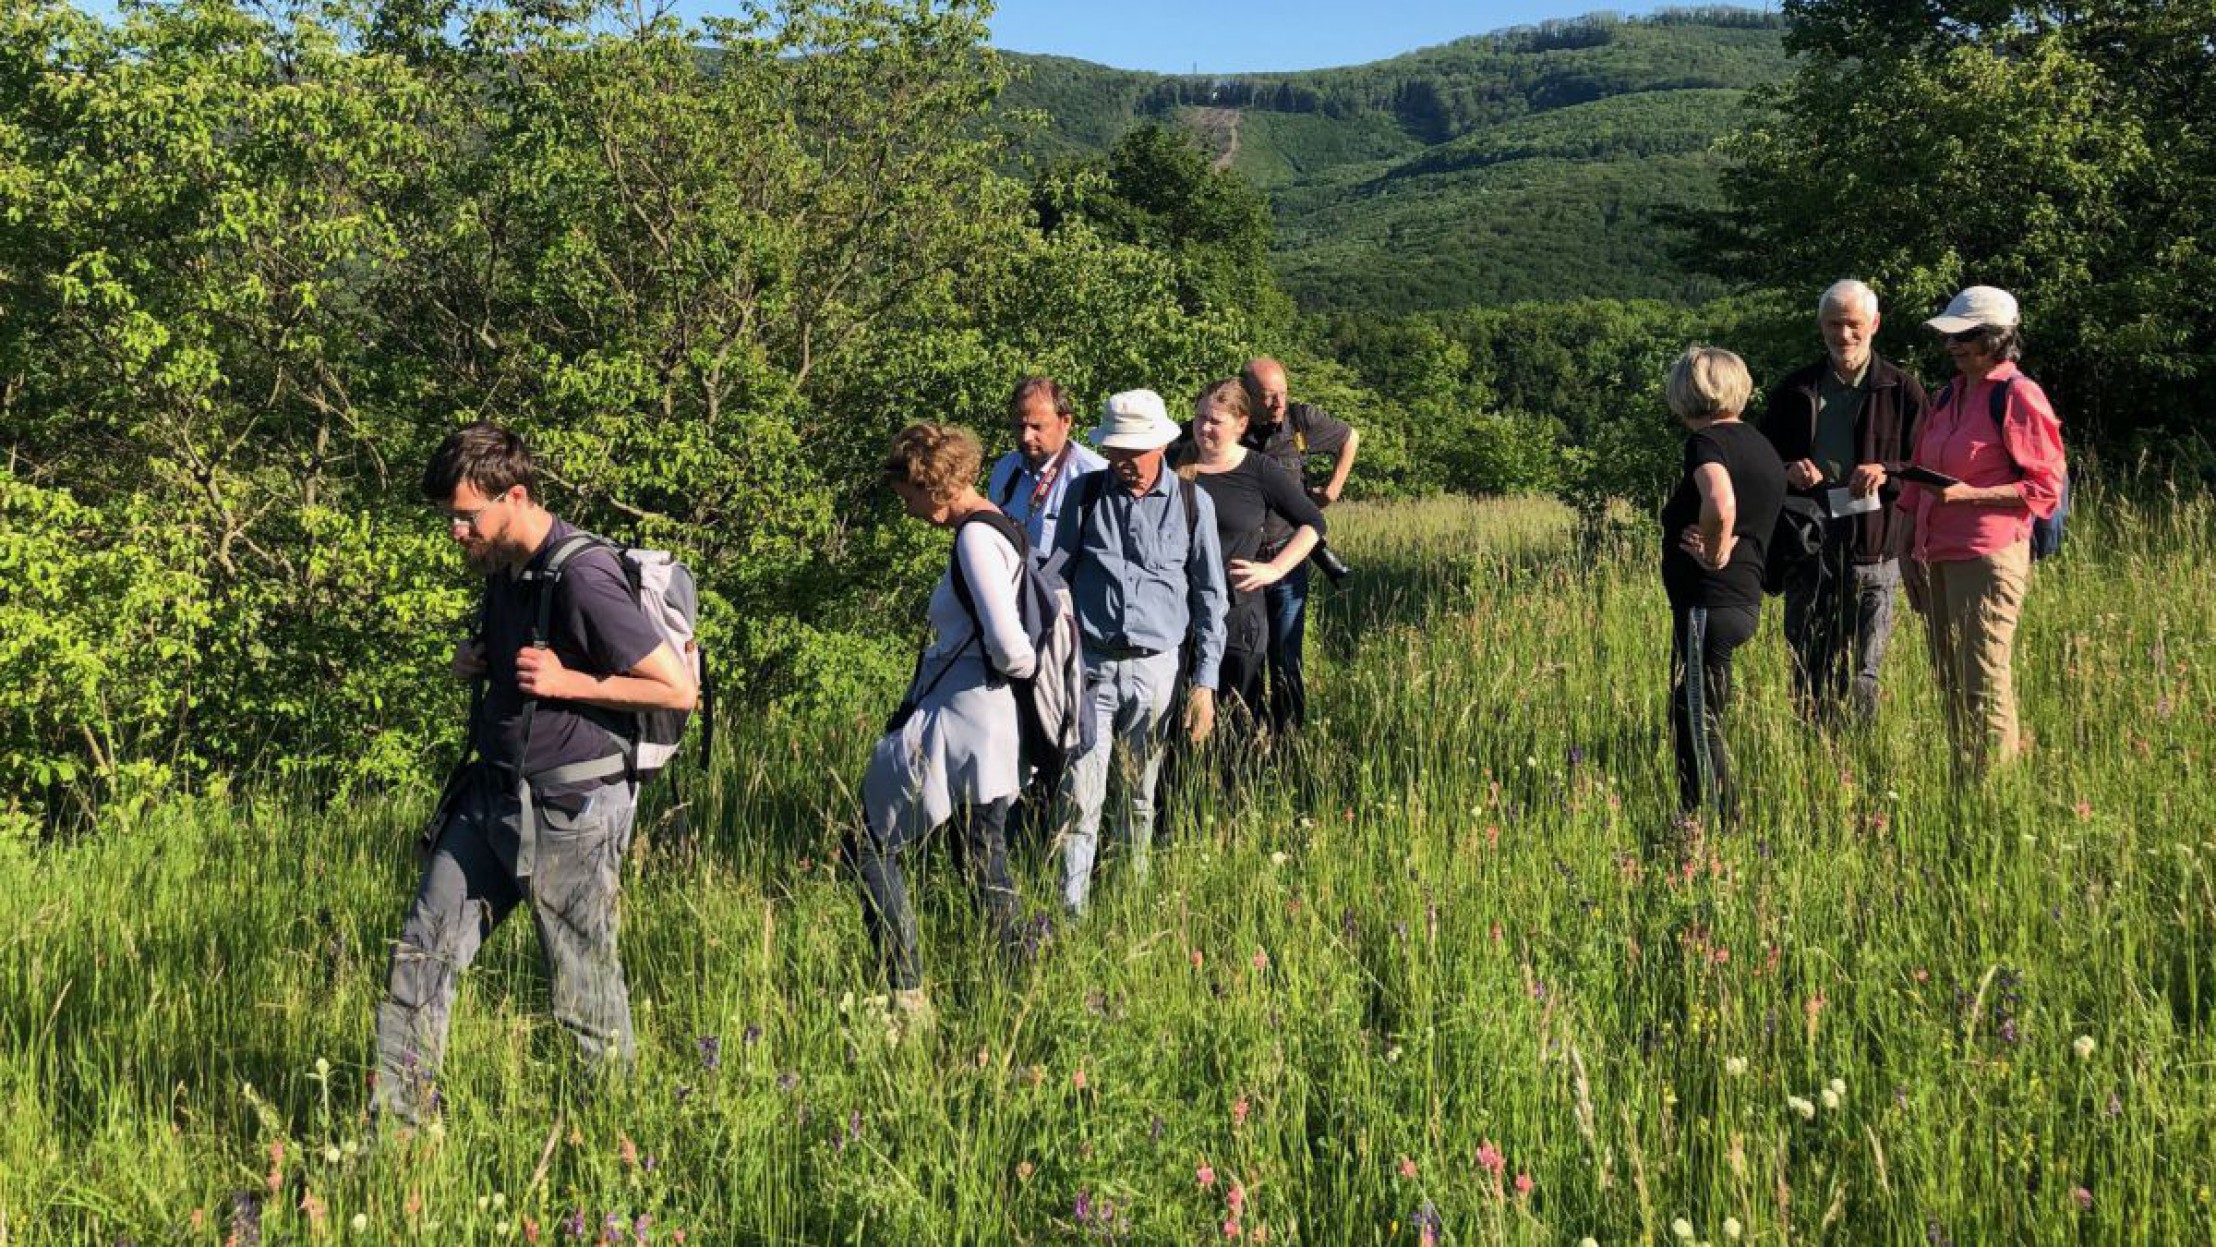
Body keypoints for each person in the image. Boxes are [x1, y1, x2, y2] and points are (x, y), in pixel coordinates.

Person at [377, 422, 697, 1124]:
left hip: (570, 810)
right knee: (419, 960)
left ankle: (615, 1146)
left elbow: (676, 689)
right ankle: (398, 1142)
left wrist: (569, 681)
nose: (456, 532)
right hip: (490, 794)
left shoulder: (583, 574)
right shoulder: (505, 567)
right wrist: (477, 660)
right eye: (449, 518)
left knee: (583, 991)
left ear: (514, 494)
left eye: (467, 516)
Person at [854, 423, 1034, 1024]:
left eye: (907, 495)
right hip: (985, 728)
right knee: (981, 857)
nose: (906, 508)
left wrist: (1008, 674)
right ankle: (1015, 993)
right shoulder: (1001, 524)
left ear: (931, 485)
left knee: (868, 843)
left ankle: (904, 991)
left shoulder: (975, 540)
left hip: (965, 723)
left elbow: (1011, 646)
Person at [1052, 389, 1228, 913]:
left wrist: (1205, 684)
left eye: (1135, 451)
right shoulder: (1084, 497)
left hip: (1158, 671)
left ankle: (1132, 904)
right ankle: (1071, 913)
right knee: (1080, 795)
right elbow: (1056, 576)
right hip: (1091, 669)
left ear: (1160, 445)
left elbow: (1211, 597)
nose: (1124, 463)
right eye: (1116, 452)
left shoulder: (1195, 503)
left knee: (1138, 796)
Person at [1894, 285, 2065, 771]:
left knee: (1984, 681)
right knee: (1950, 678)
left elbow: (2044, 488)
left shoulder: (2018, 395)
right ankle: (1965, 785)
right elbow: (1921, 467)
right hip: (1938, 552)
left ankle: (1992, 801)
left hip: (1986, 555)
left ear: (1996, 337)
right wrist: (1907, 545)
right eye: (1950, 336)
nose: (1951, 345)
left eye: (1964, 336)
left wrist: (1969, 496)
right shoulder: (1951, 393)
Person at [1761, 279, 1930, 723]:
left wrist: (1886, 470)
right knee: (1808, 666)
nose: (1844, 335)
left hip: (1875, 548)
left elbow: (1925, 462)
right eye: (1834, 324)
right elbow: (1757, 459)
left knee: (1864, 673)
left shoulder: (1901, 389)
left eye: (1853, 324)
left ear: (1874, 324)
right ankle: (1812, 754)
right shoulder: (1795, 390)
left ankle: (1860, 756)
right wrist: (1785, 469)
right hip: (1809, 547)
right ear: (1820, 327)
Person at [1662, 348, 1786, 818]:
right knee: (1701, 709)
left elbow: (1719, 498)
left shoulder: (1707, 443)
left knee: (1696, 718)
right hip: (1741, 599)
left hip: (1707, 604)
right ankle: (1711, 819)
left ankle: (1712, 824)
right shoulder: (1758, 443)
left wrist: (1714, 550)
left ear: (1686, 391)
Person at [1177, 379, 1327, 729]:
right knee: (1179, 727)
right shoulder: (1174, 465)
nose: (1204, 428)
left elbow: (1313, 523)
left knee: (1237, 723)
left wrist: (1274, 569)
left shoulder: (1258, 469)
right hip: (1179, 614)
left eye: (1215, 421)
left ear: (1241, 425)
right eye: (1200, 418)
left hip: (1238, 615)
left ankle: (1244, 781)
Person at [1239, 356, 1360, 734]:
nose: (1278, 404)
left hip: (1289, 558)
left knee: (1286, 657)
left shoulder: (1300, 421)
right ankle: (1246, 740)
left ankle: (1289, 740)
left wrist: (1335, 487)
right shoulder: (1229, 424)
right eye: (1268, 397)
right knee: (1248, 656)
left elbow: (1349, 436)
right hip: (1243, 564)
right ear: (1245, 396)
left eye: (1283, 394)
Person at [986, 375, 1109, 553]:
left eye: (1037, 427)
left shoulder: (1094, 475)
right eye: (1020, 427)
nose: (1026, 437)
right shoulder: (1004, 469)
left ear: (1065, 422)